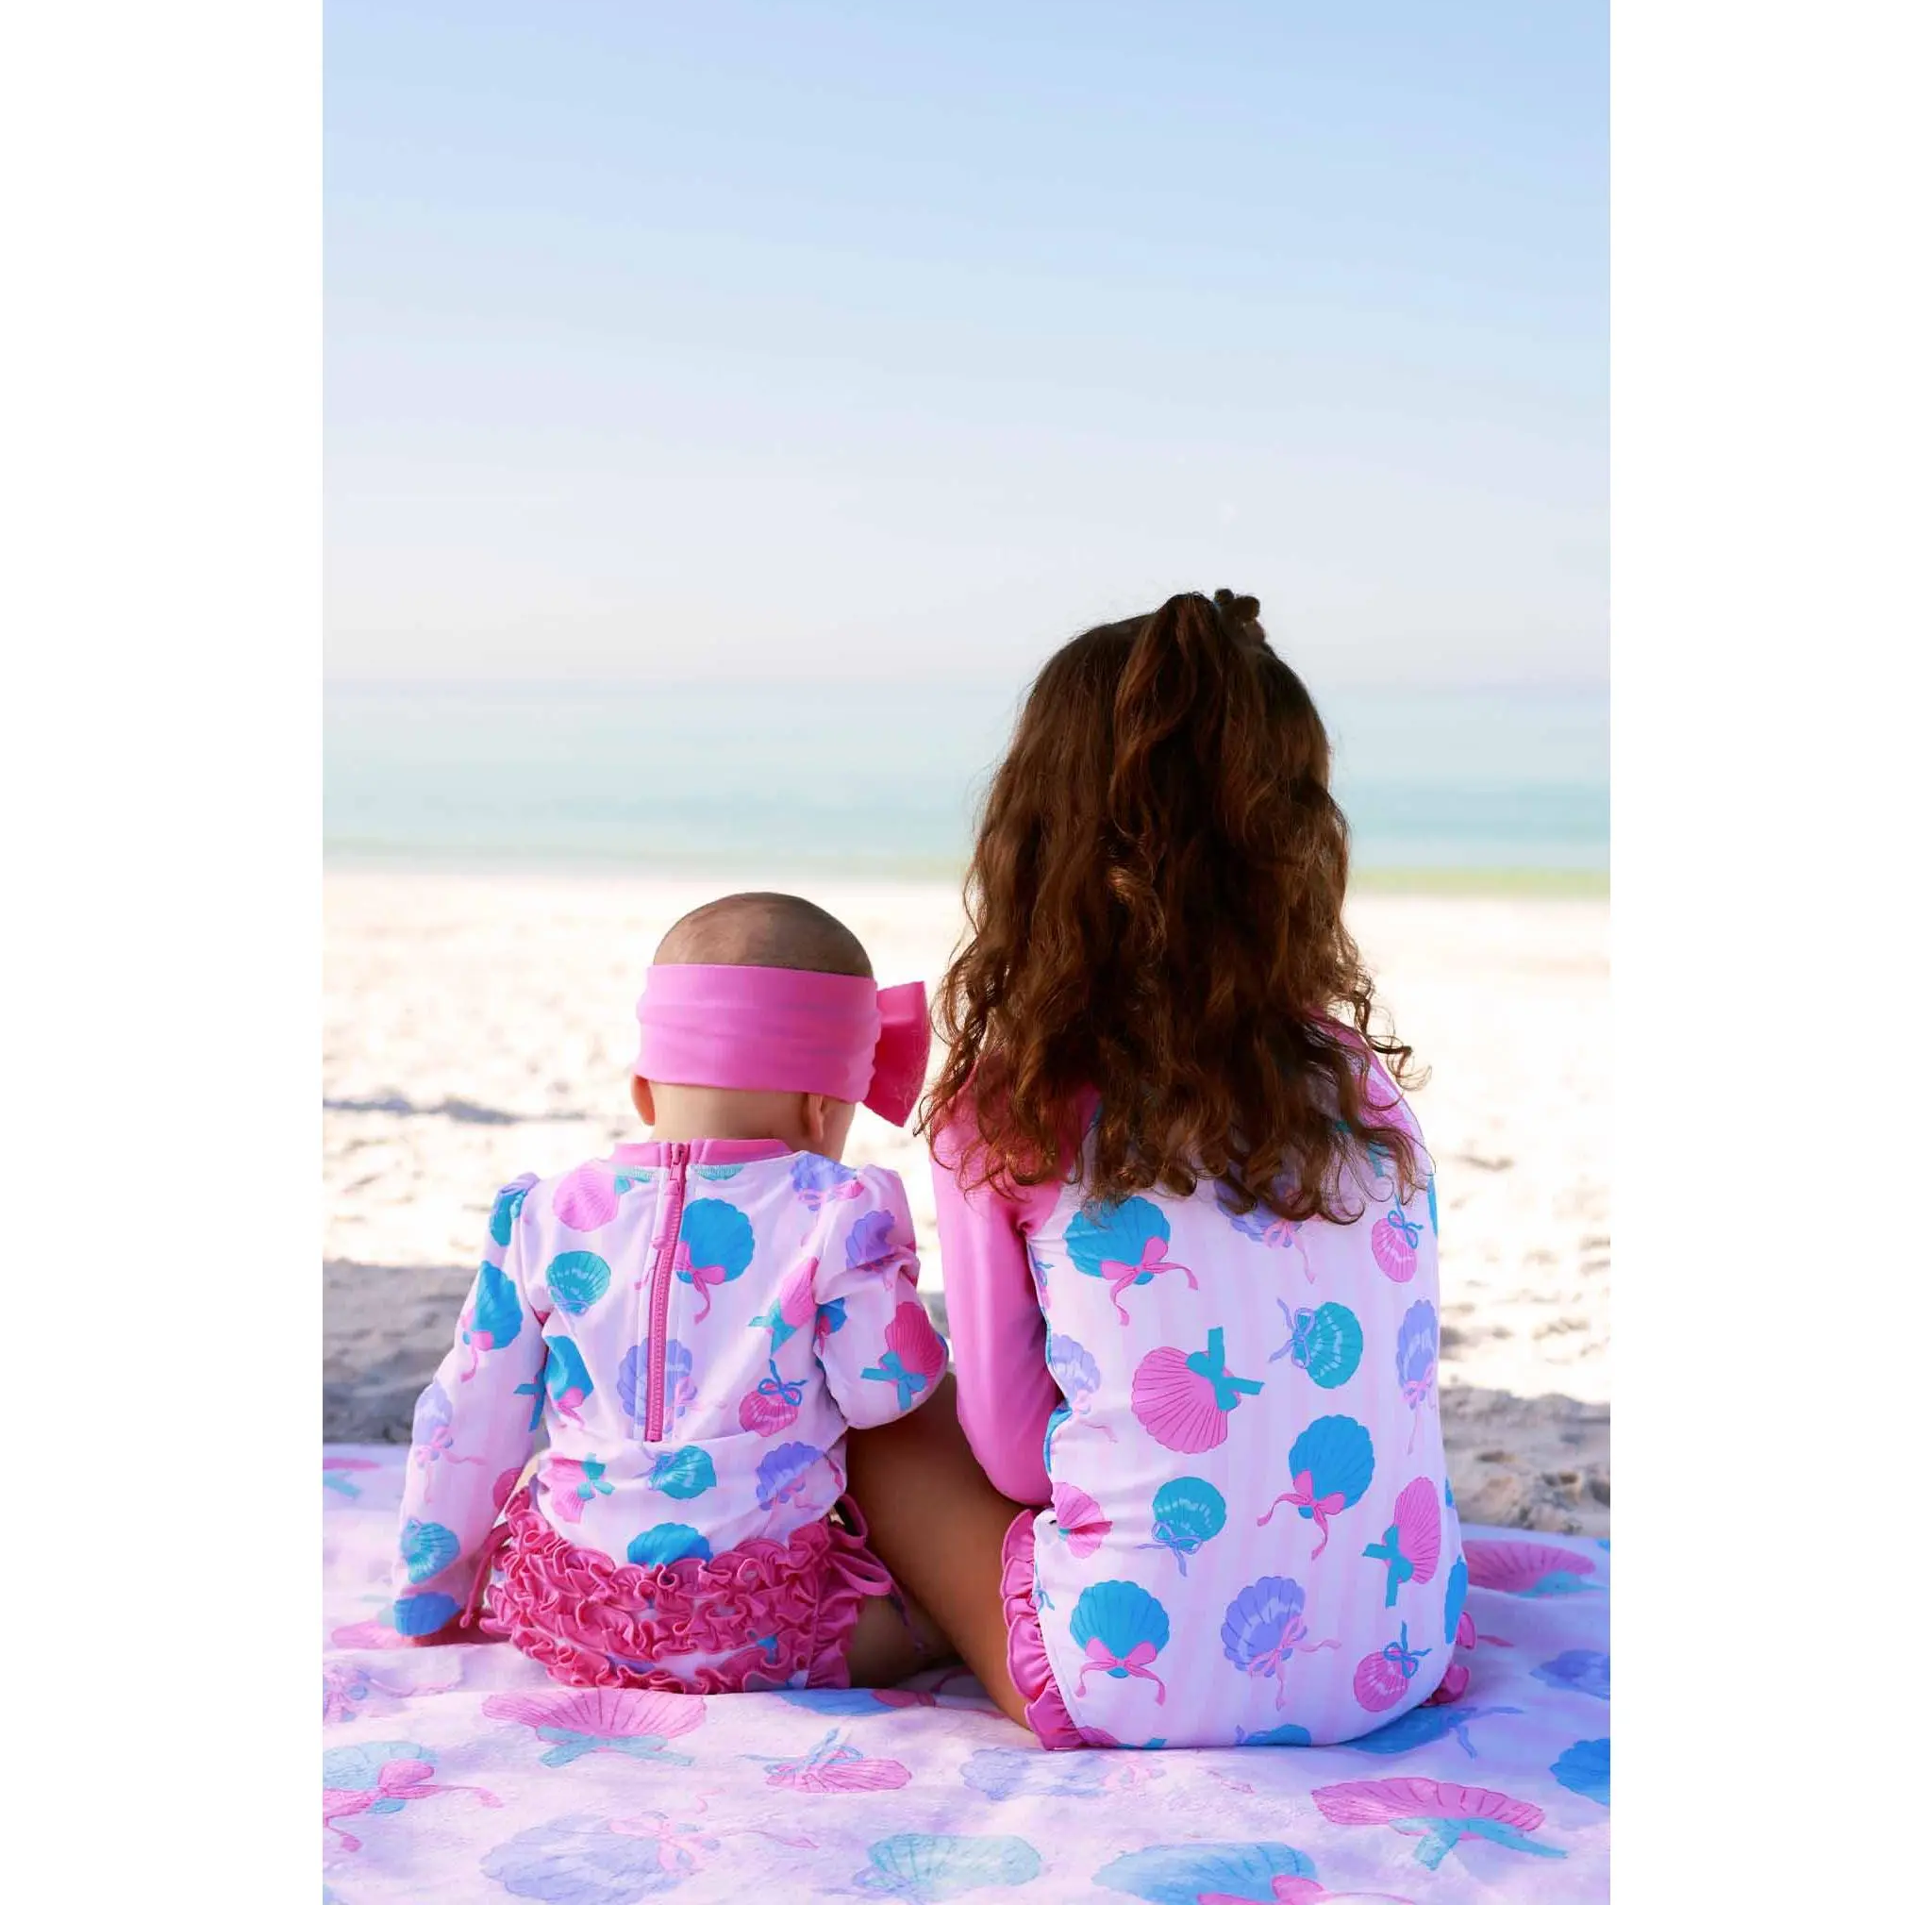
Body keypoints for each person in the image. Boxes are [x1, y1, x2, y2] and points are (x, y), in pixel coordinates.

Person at [845, 590, 1474, 1748]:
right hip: (1397, 1649)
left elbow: (1010, 1457)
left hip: (1128, 1684)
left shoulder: (1006, 1106)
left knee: (884, 1427)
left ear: (1034, 841)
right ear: (1293, 846)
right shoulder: (1357, 1082)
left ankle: (936, 1622)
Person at [390, 891, 949, 1692]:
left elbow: (465, 1420)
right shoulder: (838, 1210)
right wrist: (890, 1276)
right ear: (820, 1109)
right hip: (757, 1626)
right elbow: (883, 1393)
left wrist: (429, 1593)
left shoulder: (544, 1214)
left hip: (570, 1614)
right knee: (938, 1616)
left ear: (644, 1092)